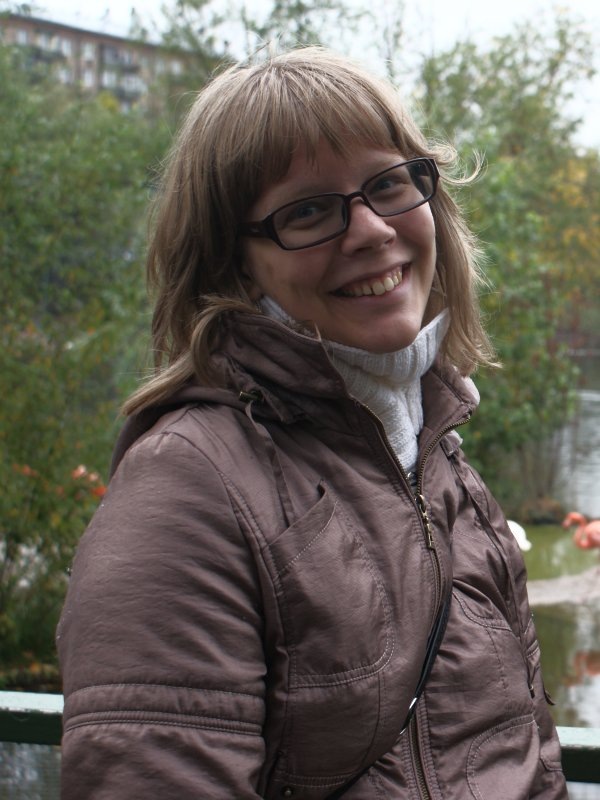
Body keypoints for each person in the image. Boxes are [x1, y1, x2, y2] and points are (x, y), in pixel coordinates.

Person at [57, 47, 568, 799]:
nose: (370, 230)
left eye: (388, 184)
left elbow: (532, 759)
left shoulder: (442, 459)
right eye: (306, 211)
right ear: (233, 261)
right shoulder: (189, 491)